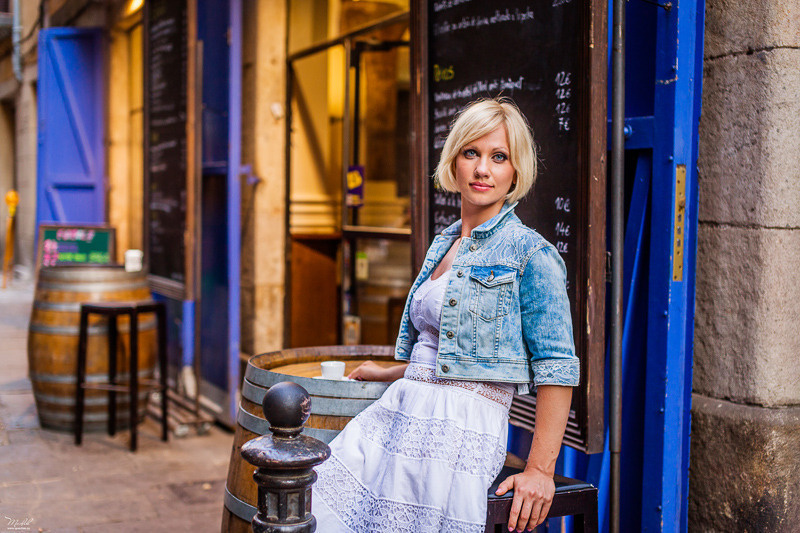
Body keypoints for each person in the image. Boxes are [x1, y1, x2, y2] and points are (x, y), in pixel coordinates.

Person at [311, 98, 579, 533]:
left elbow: (557, 368)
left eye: (499, 157)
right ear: (454, 160)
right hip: (405, 408)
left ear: (516, 170)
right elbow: (448, 347)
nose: (482, 169)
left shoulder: (531, 253)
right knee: (319, 506)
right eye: (471, 153)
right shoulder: (446, 243)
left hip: (458, 431)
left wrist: (540, 470)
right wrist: (393, 372)